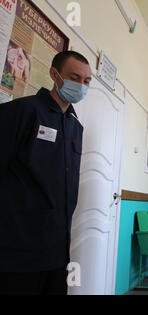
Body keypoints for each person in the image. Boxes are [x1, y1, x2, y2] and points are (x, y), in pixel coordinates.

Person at [0, 51, 92, 295]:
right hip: (17, 250)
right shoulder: (22, 112)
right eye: (74, 77)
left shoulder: (75, 126)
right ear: (55, 74)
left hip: (57, 250)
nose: (81, 86)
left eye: (86, 81)